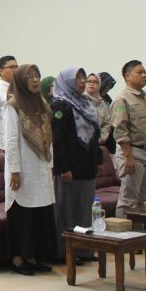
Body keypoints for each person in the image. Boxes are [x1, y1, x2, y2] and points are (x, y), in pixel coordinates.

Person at [2, 64, 56, 275]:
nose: (35, 80)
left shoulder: (41, 103)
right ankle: (17, 259)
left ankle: (32, 256)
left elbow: (48, 137)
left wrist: (50, 165)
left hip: (40, 167)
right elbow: (10, 141)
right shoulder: (13, 105)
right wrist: (14, 171)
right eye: (30, 77)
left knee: (38, 214)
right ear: (20, 81)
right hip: (23, 169)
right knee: (22, 214)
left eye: (37, 76)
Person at [50, 68, 102, 261]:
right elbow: (57, 140)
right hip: (69, 168)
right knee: (67, 211)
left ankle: (84, 249)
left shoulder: (87, 103)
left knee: (84, 209)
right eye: (78, 78)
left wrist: (98, 160)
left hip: (87, 165)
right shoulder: (60, 105)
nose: (82, 81)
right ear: (68, 81)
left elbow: (95, 135)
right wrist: (63, 168)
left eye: (83, 77)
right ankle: (66, 251)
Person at [110, 60, 146, 219]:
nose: (144, 75)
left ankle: (139, 231)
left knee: (143, 199)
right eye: (139, 72)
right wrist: (128, 157)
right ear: (127, 76)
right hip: (133, 152)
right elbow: (120, 129)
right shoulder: (122, 99)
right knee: (128, 199)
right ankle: (123, 232)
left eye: (145, 72)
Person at [85, 73, 115, 154]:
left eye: (95, 82)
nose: (92, 84)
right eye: (89, 81)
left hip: (98, 146)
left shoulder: (105, 103)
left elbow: (107, 124)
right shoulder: (77, 100)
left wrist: (99, 139)